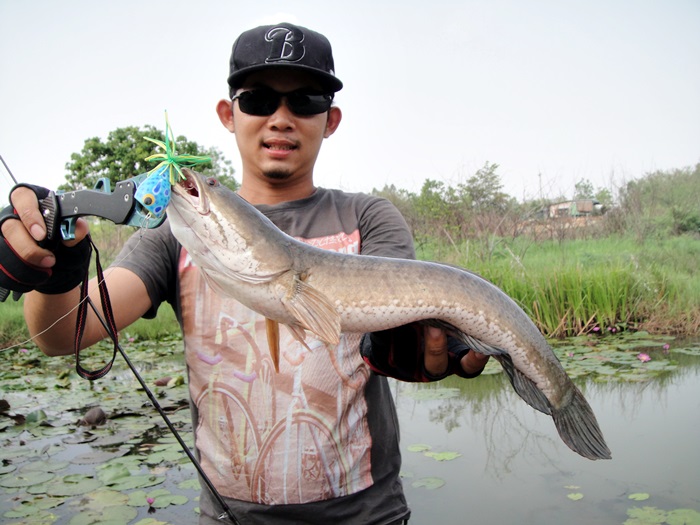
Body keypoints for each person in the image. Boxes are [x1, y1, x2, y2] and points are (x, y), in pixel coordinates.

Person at [0, 23, 489, 525]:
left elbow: (411, 336)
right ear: (228, 114)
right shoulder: (179, 229)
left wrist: (442, 344)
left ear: (331, 118)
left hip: (368, 514)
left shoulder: (369, 219)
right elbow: (60, 335)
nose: (281, 118)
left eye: (305, 100)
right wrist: (55, 269)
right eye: (257, 99)